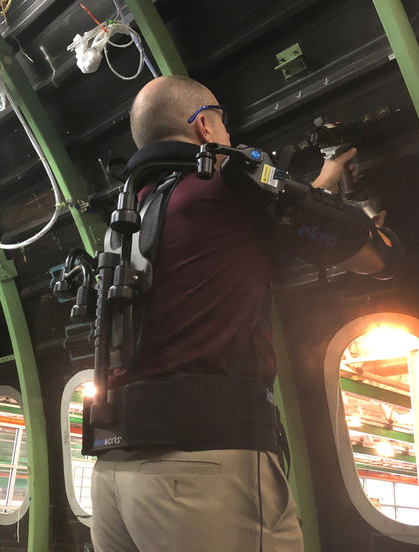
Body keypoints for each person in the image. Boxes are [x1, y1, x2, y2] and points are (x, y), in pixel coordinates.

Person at [89, 75, 369, 552]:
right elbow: (354, 246)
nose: (229, 136)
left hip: (114, 475)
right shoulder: (223, 187)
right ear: (204, 126)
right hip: (202, 466)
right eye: (223, 120)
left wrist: (319, 182)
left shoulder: (125, 221)